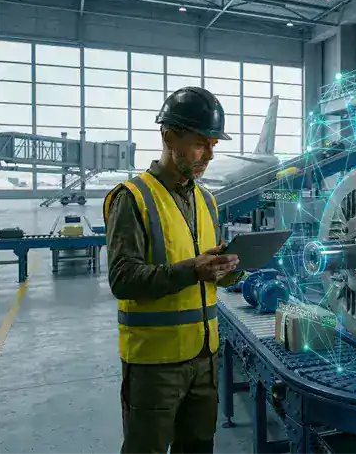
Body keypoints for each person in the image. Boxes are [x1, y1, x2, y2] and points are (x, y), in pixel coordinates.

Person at [104, 86, 244, 454]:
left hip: (204, 359)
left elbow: (204, 272)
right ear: (169, 137)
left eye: (213, 144)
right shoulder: (132, 198)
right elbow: (123, 279)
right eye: (200, 143)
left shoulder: (206, 199)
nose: (209, 155)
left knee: (198, 446)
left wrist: (227, 270)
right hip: (154, 365)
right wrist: (192, 270)